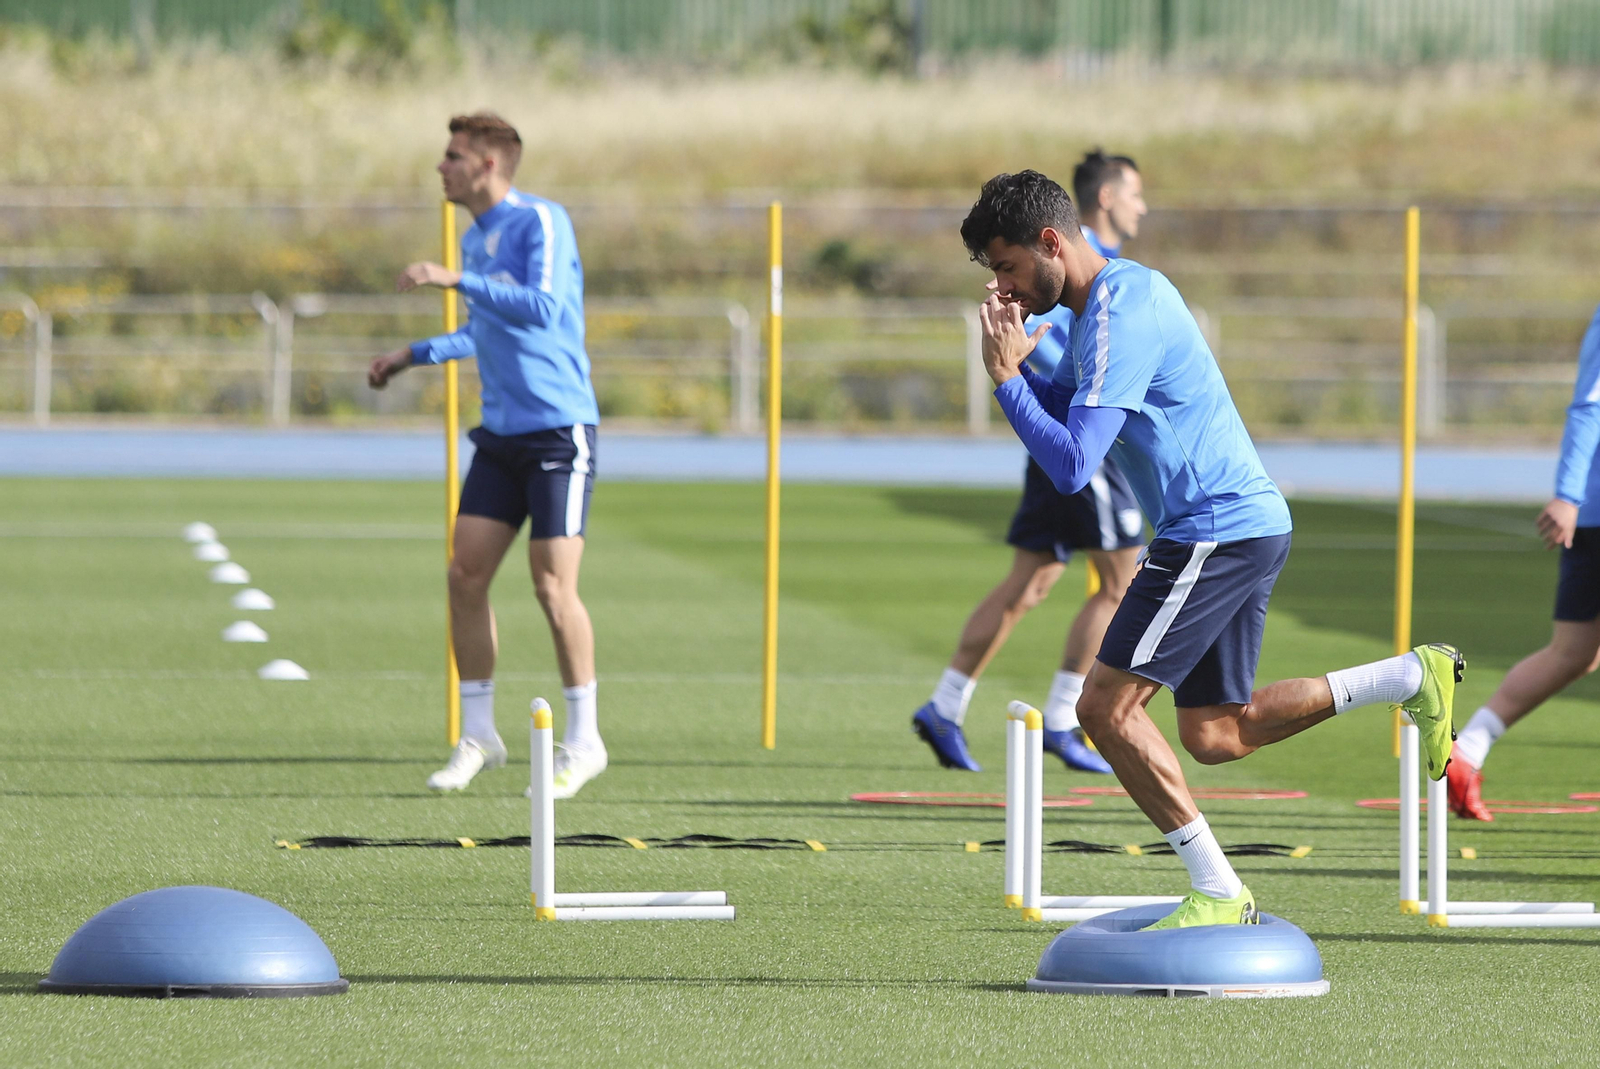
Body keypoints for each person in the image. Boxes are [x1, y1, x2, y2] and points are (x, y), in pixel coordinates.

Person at [961, 169, 1462, 927]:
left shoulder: (1117, 313)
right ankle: (1406, 676)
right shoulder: (1111, 300)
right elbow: (1076, 405)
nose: (1004, 287)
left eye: (1007, 266)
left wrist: (1005, 380)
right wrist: (1025, 363)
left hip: (1212, 528)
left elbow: (1071, 465)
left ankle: (1220, 888)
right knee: (1216, 732)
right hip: (1242, 525)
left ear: (1050, 241)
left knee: (1106, 708)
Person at [368, 112, 606, 798]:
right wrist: (413, 355)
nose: (440, 167)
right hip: (500, 435)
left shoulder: (541, 222)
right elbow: (484, 329)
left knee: (552, 587)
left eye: (451, 156)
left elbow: (540, 307)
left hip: (560, 430)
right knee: (464, 574)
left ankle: (586, 739)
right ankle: (479, 734)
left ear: (489, 165)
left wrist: (451, 278)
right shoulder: (476, 240)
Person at [911, 151, 1150, 776]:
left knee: (1034, 579)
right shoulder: (1075, 267)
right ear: (1104, 200)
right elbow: (1052, 357)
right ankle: (1067, 719)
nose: (1141, 206)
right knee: (1120, 583)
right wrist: (1014, 373)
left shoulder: (1090, 266)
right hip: (1076, 434)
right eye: (1134, 194)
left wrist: (1017, 381)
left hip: (1043, 424)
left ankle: (946, 703)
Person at [1448, 304, 1600, 821]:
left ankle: (1467, 750)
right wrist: (1568, 496)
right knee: (1573, 650)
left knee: (1576, 652)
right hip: (1593, 511)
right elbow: (1590, 405)